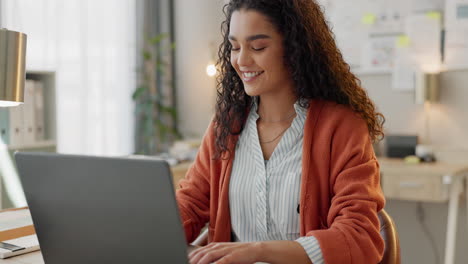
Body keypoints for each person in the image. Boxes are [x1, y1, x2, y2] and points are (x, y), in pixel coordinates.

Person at [176, 0, 386, 263]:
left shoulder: (342, 127)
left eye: (258, 47)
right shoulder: (226, 126)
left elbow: (359, 237)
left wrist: (257, 251)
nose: (241, 60)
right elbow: (189, 204)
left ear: (295, 47)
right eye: (235, 47)